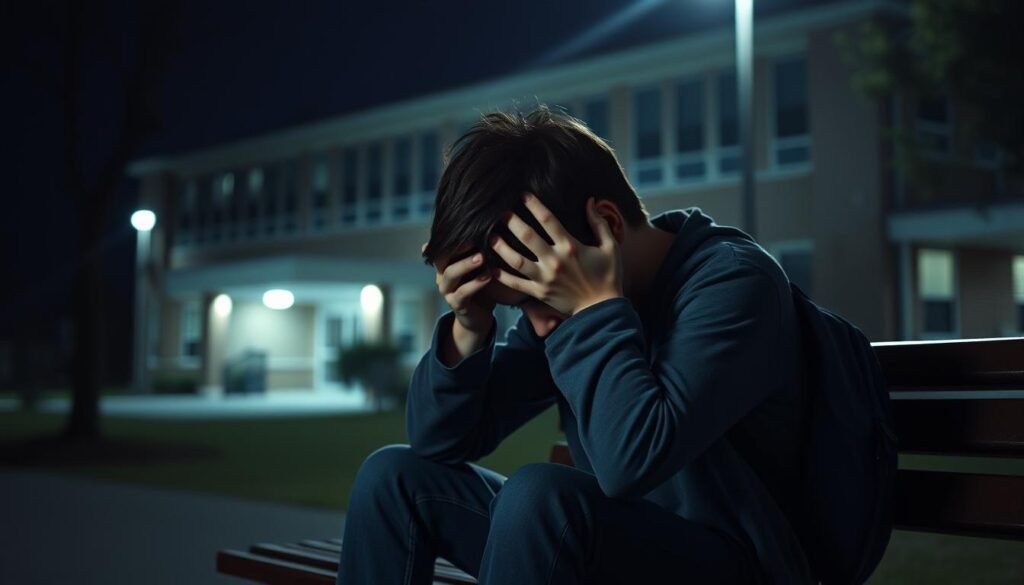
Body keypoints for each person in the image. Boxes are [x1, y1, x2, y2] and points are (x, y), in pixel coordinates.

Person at [337, 106, 814, 584]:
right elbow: (439, 441)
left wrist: (593, 307)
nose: (541, 327)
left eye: (539, 301)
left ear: (606, 224)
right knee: (393, 479)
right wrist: (469, 324)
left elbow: (631, 462)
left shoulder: (732, 283)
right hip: (606, 548)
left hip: (735, 566)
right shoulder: (563, 311)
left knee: (537, 498)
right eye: (518, 308)